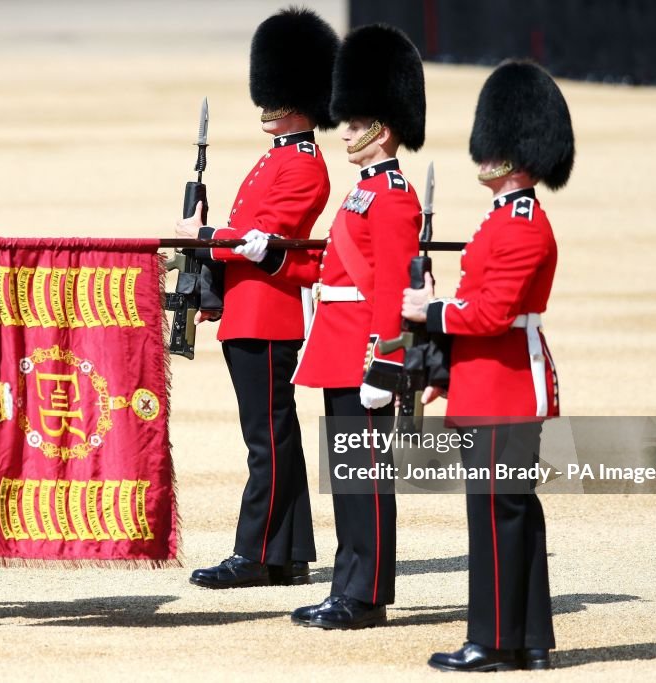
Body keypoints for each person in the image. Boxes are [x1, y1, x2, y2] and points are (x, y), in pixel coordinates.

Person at [238, 24, 426, 628]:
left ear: (384, 126)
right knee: (347, 478)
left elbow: (393, 285)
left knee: (365, 483)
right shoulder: (363, 192)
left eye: (356, 120)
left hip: (365, 351)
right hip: (339, 345)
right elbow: (332, 262)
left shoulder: (393, 197)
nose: (343, 129)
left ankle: (364, 595)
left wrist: (389, 357)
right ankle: (348, 583)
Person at [400, 60, 574, 671]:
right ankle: (528, 640)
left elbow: (493, 313)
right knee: (513, 510)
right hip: (486, 380)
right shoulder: (502, 219)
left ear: (517, 152)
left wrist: (431, 311)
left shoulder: (524, 224)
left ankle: (493, 641)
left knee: (497, 514)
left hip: (505, 383)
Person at [175, 7, 340, 589]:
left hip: (267, 316)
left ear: (304, 102)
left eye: (279, 97)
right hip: (248, 313)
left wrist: (203, 238)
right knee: (277, 437)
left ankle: (255, 554)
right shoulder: (277, 156)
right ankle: (289, 550)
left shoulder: (303, 165)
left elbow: (258, 243)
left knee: (264, 441)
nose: (267, 107)